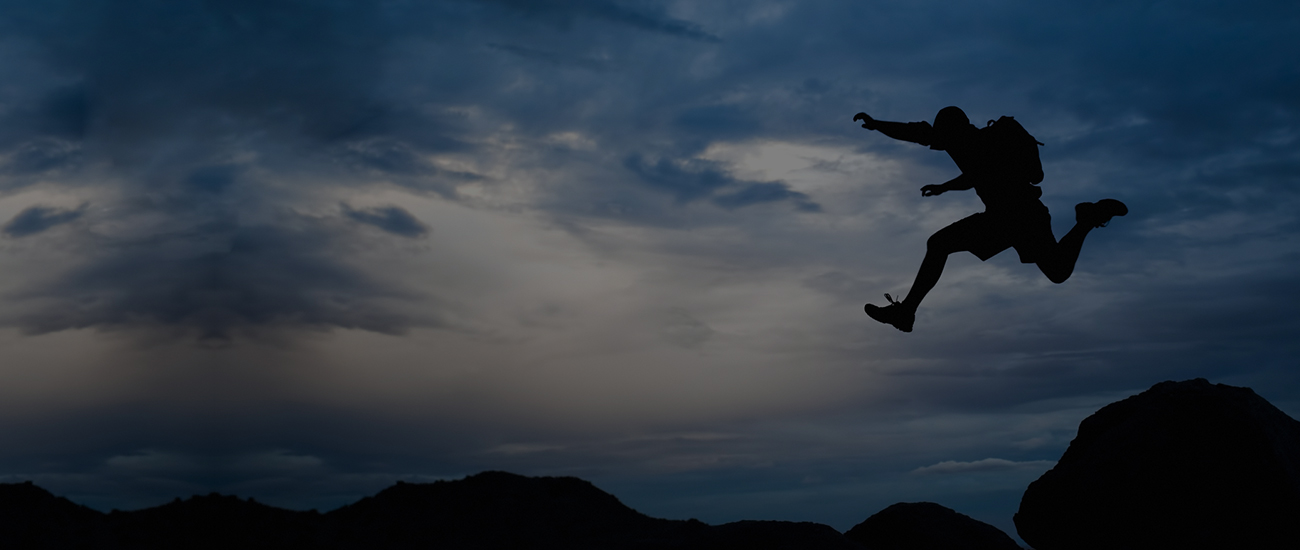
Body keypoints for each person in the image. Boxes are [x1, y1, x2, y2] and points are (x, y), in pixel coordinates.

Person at [853, 106, 1127, 332]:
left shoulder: (983, 141)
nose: (939, 141)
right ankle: (906, 313)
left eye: (943, 133)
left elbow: (978, 172)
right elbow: (918, 133)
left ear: (957, 127)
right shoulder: (962, 141)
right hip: (1002, 218)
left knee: (1057, 272)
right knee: (939, 244)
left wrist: (945, 186)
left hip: (1023, 215)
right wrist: (878, 124)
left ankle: (1086, 221)